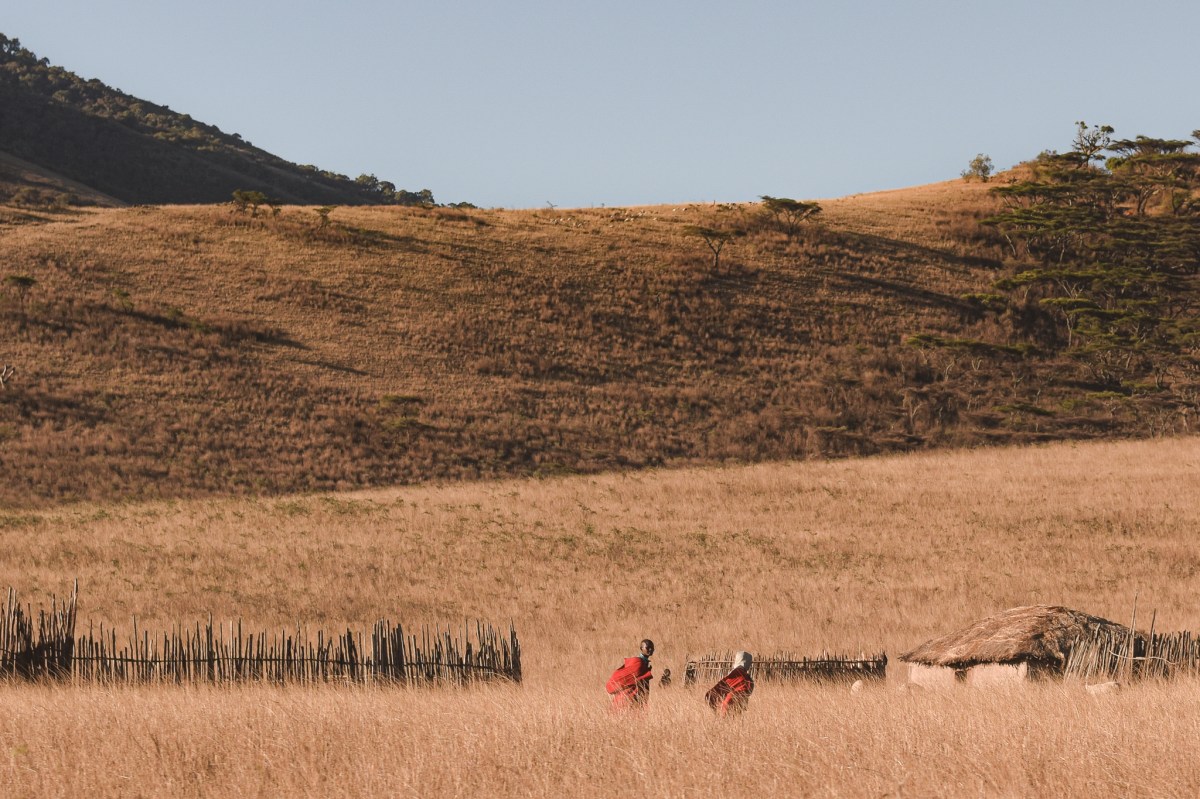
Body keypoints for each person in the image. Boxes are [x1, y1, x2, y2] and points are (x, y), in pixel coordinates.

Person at [606, 639, 654, 711]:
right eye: (647, 648)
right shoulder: (638, 663)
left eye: (652, 648)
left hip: (634, 699)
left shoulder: (644, 663)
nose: (650, 649)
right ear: (641, 649)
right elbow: (632, 680)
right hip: (628, 699)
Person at [706, 651, 754, 717]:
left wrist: (715, 710)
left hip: (726, 706)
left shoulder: (733, 674)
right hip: (731, 707)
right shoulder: (745, 677)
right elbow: (748, 691)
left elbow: (709, 694)